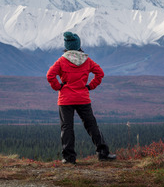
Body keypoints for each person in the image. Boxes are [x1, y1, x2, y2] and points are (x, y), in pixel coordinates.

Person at [46, 31, 116, 164]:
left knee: (67, 127)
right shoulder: (87, 60)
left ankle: (69, 158)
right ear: (78, 45)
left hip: (65, 99)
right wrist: (90, 86)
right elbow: (100, 73)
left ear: (66, 45)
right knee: (91, 125)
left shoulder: (61, 61)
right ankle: (103, 153)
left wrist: (59, 87)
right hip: (83, 98)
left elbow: (50, 75)